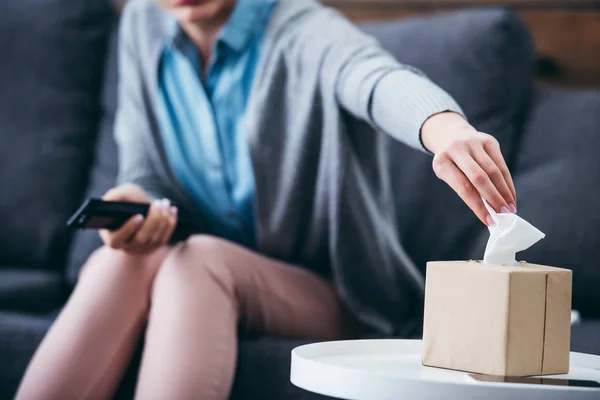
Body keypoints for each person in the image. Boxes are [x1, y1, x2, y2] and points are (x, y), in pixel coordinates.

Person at [16, 0, 518, 399]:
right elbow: (145, 166)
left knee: (198, 261)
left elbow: (374, 76)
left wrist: (446, 129)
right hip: (200, 272)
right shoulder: (141, 27)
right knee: (116, 261)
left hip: (334, 294)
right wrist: (137, 200)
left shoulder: (300, 27)